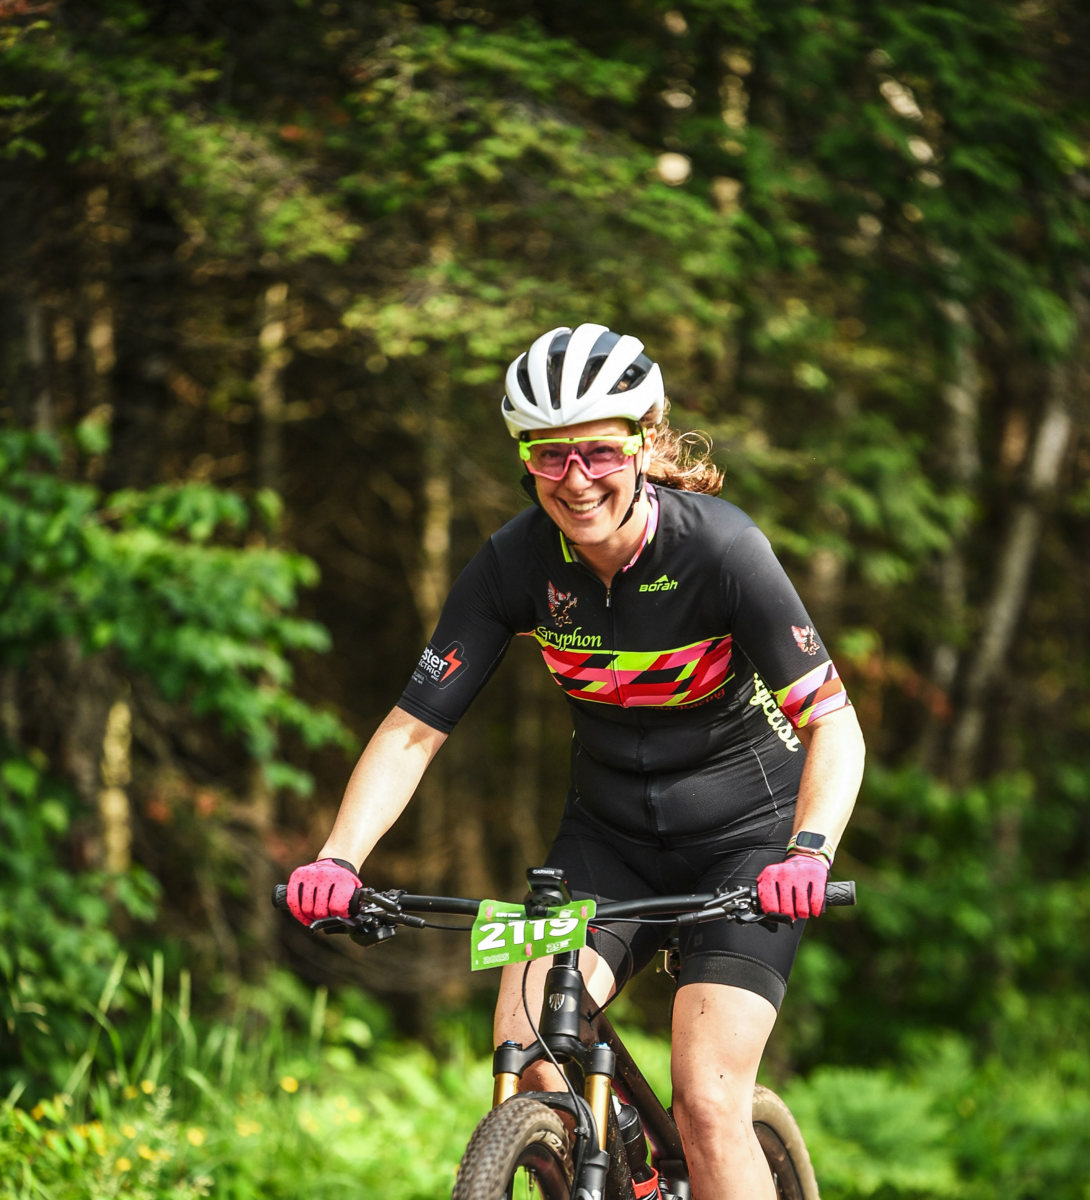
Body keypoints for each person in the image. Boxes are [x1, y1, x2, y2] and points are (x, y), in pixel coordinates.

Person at [286, 323, 865, 1200]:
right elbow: (415, 727)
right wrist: (338, 859)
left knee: (709, 1105)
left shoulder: (720, 548)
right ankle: (618, 1169)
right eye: (550, 455)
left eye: (598, 451)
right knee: (528, 1058)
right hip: (606, 842)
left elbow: (834, 722)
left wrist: (808, 851)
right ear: (526, 459)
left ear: (643, 441)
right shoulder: (515, 562)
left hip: (748, 844)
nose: (577, 478)